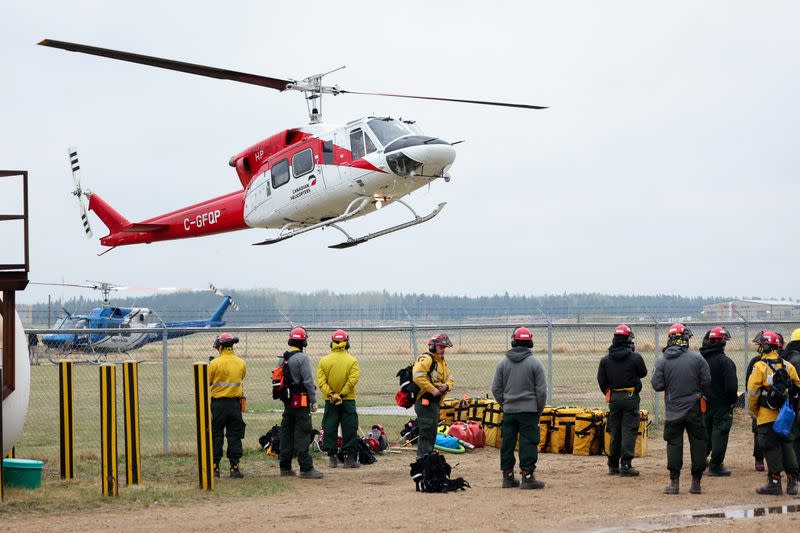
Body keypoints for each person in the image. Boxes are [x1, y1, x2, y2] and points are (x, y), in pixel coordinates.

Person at [651, 323, 711, 495]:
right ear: (685, 339)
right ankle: (696, 483)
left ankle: (674, 483)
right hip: (694, 407)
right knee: (698, 442)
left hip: (673, 410)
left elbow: (657, 385)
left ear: (670, 339)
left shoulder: (661, 361)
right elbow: (706, 381)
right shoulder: (698, 358)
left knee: (674, 443)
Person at [492, 326, 547, 489]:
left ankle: (508, 478)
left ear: (513, 342)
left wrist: (506, 404)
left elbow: (496, 388)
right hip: (529, 411)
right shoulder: (535, 363)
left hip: (509, 411)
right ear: (530, 343)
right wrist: (538, 409)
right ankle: (528, 477)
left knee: (507, 443)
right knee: (528, 442)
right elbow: (542, 391)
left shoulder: (502, 362)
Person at [747, 331, 800, 495]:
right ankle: (792, 482)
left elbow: (752, 393)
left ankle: (775, 483)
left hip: (766, 415)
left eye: (763, 344)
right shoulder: (788, 366)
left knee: (770, 447)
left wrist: (754, 411)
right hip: (785, 415)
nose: (761, 347)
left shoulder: (760, 367)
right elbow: (797, 388)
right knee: (787, 445)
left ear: (768, 346)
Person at [597, 324, 647, 477]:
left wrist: (610, 393)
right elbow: (643, 373)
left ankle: (613, 465)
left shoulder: (605, 360)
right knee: (628, 431)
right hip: (630, 397)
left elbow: (601, 380)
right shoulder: (635, 357)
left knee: (615, 431)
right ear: (627, 339)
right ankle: (626, 465)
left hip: (614, 398)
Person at [278, 326, 323, 479]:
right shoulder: (302, 358)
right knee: (303, 432)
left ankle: (285, 466)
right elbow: (308, 382)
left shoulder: (282, 358)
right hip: (301, 402)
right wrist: (313, 400)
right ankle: (306, 468)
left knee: (286, 432)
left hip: (287, 402)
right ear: (303, 342)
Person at [317, 329, 361, 469]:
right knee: (350, 427)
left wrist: (331, 395)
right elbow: (353, 380)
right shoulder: (352, 361)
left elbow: (321, 381)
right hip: (347, 400)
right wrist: (341, 395)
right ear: (346, 343)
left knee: (330, 427)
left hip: (330, 401)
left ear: (332, 343)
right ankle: (349, 460)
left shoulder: (324, 361)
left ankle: (332, 458)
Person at [699, 326, 738, 476]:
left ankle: (700, 460)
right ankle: (715, 466)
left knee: (706, 432)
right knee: (720, 432)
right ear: (723, 342)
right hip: (722, 404)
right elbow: (731, 386)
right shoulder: (725, 362)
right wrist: (732, 401)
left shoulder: (700, 359)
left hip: (703, 402)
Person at [208, 332, 247, 479]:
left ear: (220, 346)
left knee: (216, 435)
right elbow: (242, 376)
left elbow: (208, 381)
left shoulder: (214, 363)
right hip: (235, 404)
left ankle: (215, 467)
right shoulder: (241, 363)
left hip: (218, 405)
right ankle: (234, 468)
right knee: (235, 435)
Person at [412, 333, 455, 458]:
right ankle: (423, 458)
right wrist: (433, 390)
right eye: (441, 347)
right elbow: (417, 375)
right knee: (427, 430)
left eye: (444, 347)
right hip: (425, 401)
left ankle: (428, 455)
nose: (443, 350)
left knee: (432, 431)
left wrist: (447, 386)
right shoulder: (426, 359)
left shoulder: (441, 362)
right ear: (432, 346)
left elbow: (450, 378)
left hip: (434, 403)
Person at [745, 351, 769, 472]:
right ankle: (759, 459)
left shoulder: (782, 362)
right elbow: (748, 385)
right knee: (758, 432)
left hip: (777, 405)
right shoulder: (756, 362)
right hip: (760, 404)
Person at [784, 328, 800, 464]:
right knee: (797, 436)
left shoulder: (786, 357)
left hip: (788, 403)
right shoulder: (798, 360)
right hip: (797, 402)